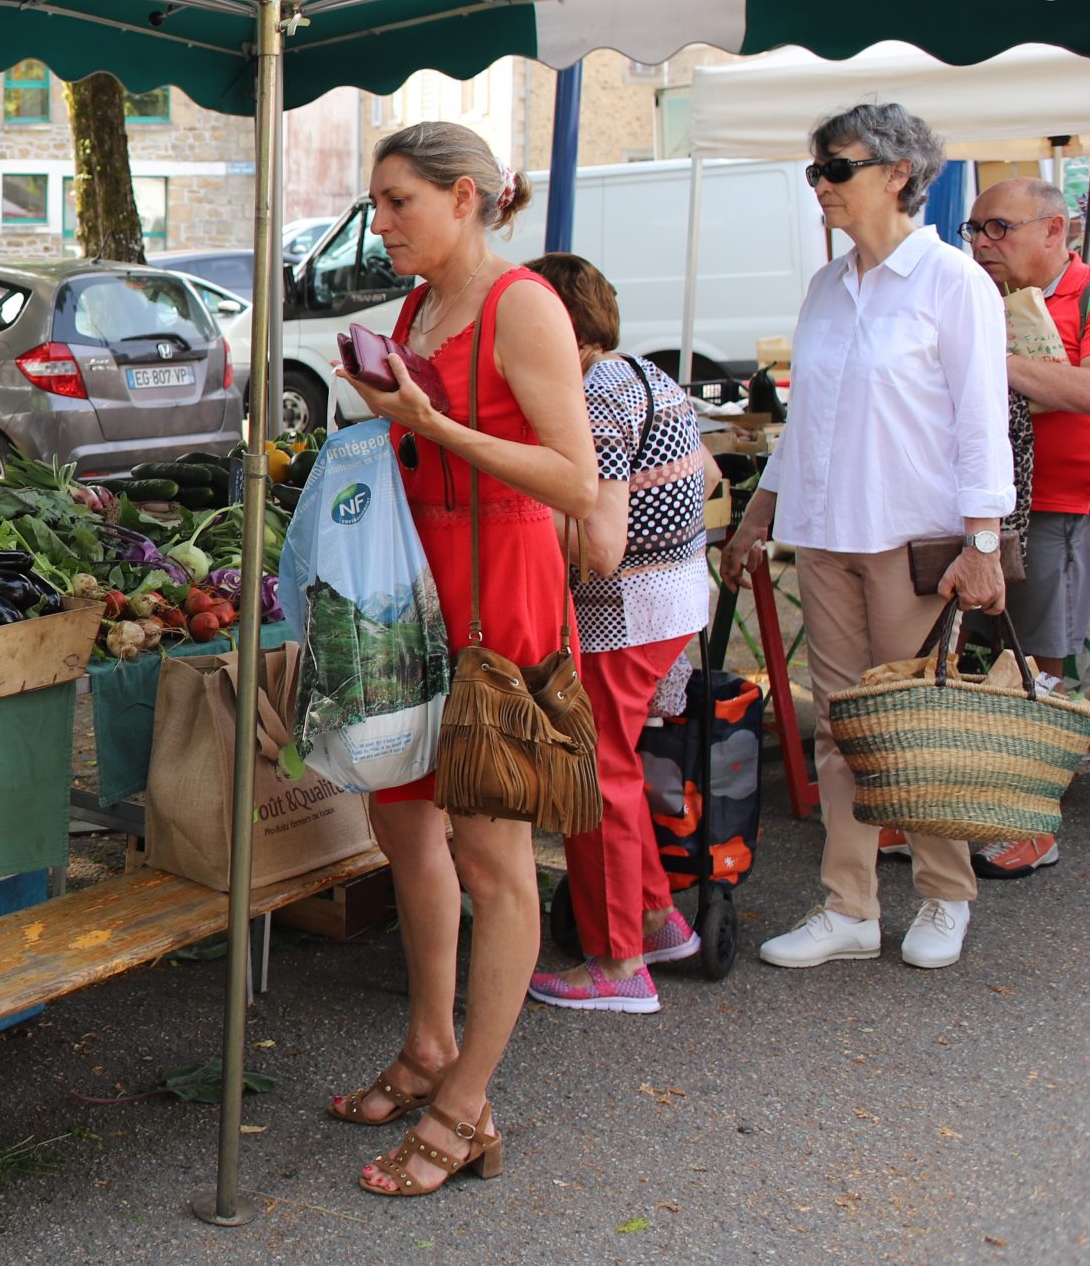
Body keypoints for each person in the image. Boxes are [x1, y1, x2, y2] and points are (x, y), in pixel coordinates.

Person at [326, 122, 599, 1198]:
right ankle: (429, 1041)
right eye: (378, 202)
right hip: (412, 589)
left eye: (398, 202)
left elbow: (574, 481)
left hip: (499, 597)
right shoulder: (417, 304)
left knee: (494, 860)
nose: (380, 222)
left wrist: (430, 425)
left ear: (468, 199)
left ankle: (462, 1104)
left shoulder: (520, 303)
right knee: (402, 828)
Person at [724, 104, 1011, 972]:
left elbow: (980, 421)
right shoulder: (827, 284)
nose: (820, 185)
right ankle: (849, 902)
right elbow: (806, 417)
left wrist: (984, 541)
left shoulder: (953, 280)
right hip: (824, 530)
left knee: (916, 724)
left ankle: (943, 891)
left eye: (835, 168)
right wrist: (758, 512)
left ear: (898, 173)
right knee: (840, 728)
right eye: (814, 169)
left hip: (910, 533)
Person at [521, 254, 717, 1014]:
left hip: (628, 606)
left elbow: (597, 544)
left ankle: (617, 960)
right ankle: (658, 919)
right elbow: (702, 476)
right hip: (669, 600)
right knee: (618, 765)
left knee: (592, 773)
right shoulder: (643, 372)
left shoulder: (594, 394)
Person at [952, 175, 1086, 877]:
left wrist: (993, 363)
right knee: (976, 657)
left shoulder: (1086, 293)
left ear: (1054, 229)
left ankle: (1032, 823)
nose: (981, 243)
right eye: (974, 230)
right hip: (982, 504)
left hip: (1064, 503)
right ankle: (953, 807)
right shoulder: (974, 294)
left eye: (998, 228)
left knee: (1039, 662)